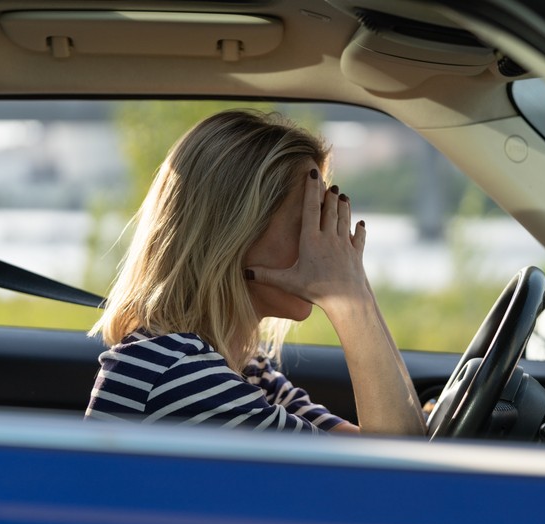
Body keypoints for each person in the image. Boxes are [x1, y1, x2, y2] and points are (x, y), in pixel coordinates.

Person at [85, 109, 426, 436]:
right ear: (234, 235)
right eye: (308, 225)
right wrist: (348, 298)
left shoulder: (245, 368)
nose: (327, 247)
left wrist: (354, 282)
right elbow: (393, 464)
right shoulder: (178, 375)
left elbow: (388, 442)